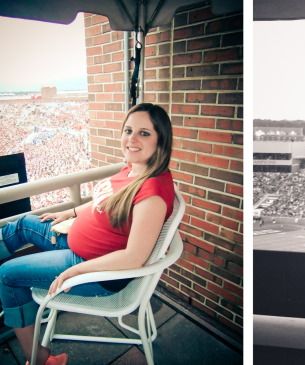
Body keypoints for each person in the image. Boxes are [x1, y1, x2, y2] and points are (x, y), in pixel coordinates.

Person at [0, 103, 175, 365]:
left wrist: (75, 272)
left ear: (161, 139)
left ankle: (39, 359)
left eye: (144, 133)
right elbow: (104, 200)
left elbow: (134, 257)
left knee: (7, 276)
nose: (132, 139)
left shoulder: (152, 194)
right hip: (74, 243)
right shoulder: (133, 169)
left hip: (90, 267)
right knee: (24, 223)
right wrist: (71, 212)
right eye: (128, 130)